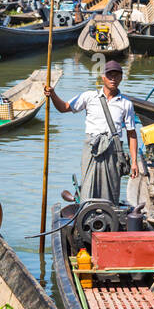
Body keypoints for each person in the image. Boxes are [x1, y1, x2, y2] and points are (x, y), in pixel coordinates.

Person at [45, 59, 139, 203]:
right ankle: (85, 209)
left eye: (117, 75)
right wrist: (52, 94)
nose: (113, 79)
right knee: (88, 186)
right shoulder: (89, 97)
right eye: (110, 75)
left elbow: (131, 134)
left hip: (113, 150)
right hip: (92, 148)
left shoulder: (126, 103)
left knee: (111, 188)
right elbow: (64, 108)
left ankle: (110, 213)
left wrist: (134, 162)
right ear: (103, 77)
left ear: (121, 77)